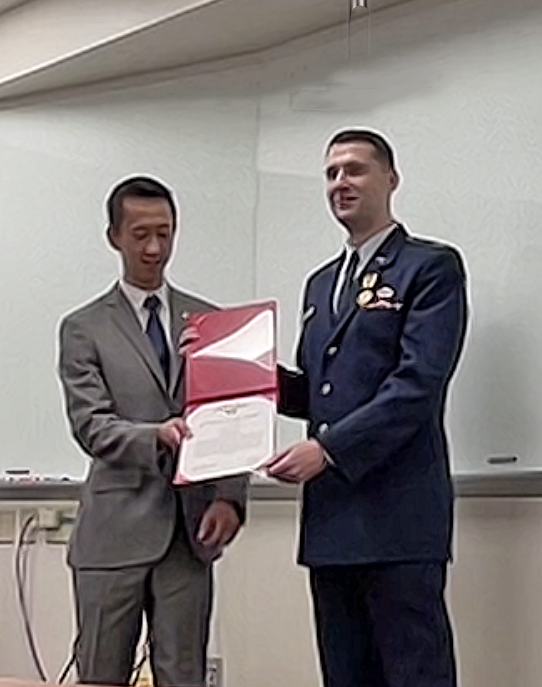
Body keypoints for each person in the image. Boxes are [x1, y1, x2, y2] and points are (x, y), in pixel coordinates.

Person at [268, 129, 468, 687]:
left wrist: (327, 450)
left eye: (355, 170)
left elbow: (416, 385)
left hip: (399, 519)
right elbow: (321, 392)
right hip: (332, 523)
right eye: (332, 173)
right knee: (345, 676)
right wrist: (240, 375)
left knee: (414, 675)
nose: (341, 183)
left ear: (391, 179)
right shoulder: (320, 284)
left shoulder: (430, 267)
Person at [57, 175, 247, 687]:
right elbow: (91, 425)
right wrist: (154, 436)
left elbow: (231, 412)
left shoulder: (209, 322)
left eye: (165, 233)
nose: (154, 248)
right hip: (112, 536)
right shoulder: (83, 328)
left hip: (188, 538)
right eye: (140, 234)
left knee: (184, 676)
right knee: (101, 675)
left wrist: (229, 499)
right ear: (113, 236)